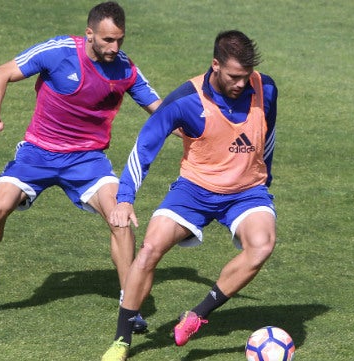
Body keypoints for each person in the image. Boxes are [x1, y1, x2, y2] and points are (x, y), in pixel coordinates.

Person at [0, 1, 162, 333]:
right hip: (37, 153)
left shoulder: (125, 69)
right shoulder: (59, 51)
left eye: (120, 40)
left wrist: (194, 125)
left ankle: (129, 303)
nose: (115, 48)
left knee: (121, 220)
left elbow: (161, 110)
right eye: (108, 40)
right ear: (89, 33)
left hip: (87, 160)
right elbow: (0, 73)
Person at [101, 30, 278, 360]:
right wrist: (125, 198)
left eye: (246, 76)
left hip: (246, 192)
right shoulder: (186, 100)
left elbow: (268, 132)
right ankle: (122, 341)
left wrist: (265, 176)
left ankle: (197, 315)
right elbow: (145, 146)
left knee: (262, 245)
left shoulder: (264, 87)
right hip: (194, 190)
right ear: (215, 65)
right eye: (234, 76)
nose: (242, 84)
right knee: (150, 248)